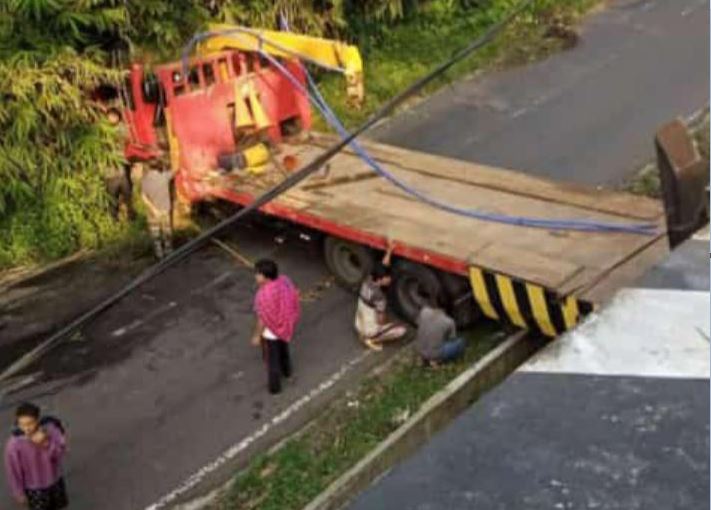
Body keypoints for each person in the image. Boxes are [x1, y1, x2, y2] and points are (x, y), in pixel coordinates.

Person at [4, 402, 68, 510]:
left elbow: (60, 453)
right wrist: (19, 493)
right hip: (34, 488)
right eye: (22, 424)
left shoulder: (50, 430)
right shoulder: (14, 444)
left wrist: (46, 444)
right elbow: (13, 471)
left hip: (55, 481)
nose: (27, 428)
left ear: (37, 420)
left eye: (30, 423)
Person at [251, 259, 301, 394]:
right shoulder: (284, 281)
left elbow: (262, 319)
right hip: (285, 327)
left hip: (271, 333)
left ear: (264, 276)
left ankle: (275, 387)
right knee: (284, 352)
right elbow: (295, 293)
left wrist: (256, 336)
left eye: (257, 273)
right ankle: (287, 372)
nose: (255, 276)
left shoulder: (263, 296)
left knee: (272, 360)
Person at [355, 241, 408, 351]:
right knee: (401, 330)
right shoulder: (380, 297)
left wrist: (389, 251)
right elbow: (380, 320)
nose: (389, 278)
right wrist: (387, 324)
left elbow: (382, 265)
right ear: (380, 280)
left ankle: (365, 333)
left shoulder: (368, 280)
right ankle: (372, 339)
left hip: (359, 323)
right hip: (369, 330)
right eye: (387, 277)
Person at [414, 300, 466, 368]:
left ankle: (424, 358)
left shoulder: (424, 311)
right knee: (461, 342)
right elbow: (452, 339)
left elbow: (419, 323)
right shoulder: (449, 321)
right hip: (435, 353)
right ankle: (436, 360)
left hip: (420, 350)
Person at [105, 108, 135, 221]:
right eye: (110, 116)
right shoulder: (103, 131)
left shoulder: (122, 128)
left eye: (114, 116)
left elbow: (127, 139)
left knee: (128, 196)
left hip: (121, 170)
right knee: (112, 198)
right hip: (109, 173)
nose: (112, 118)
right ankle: (114, 219)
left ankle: (131, 216)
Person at [141, 159, 174, 259]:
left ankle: (159, 255)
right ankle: (169, 254)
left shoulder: (145, 180)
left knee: (156, 236)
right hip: (165, 210)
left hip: (153, 213)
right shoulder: (164, 176)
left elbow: (143, 197)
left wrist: (153, 209)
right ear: (159, 166)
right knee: (167, 234)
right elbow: (176, 170)